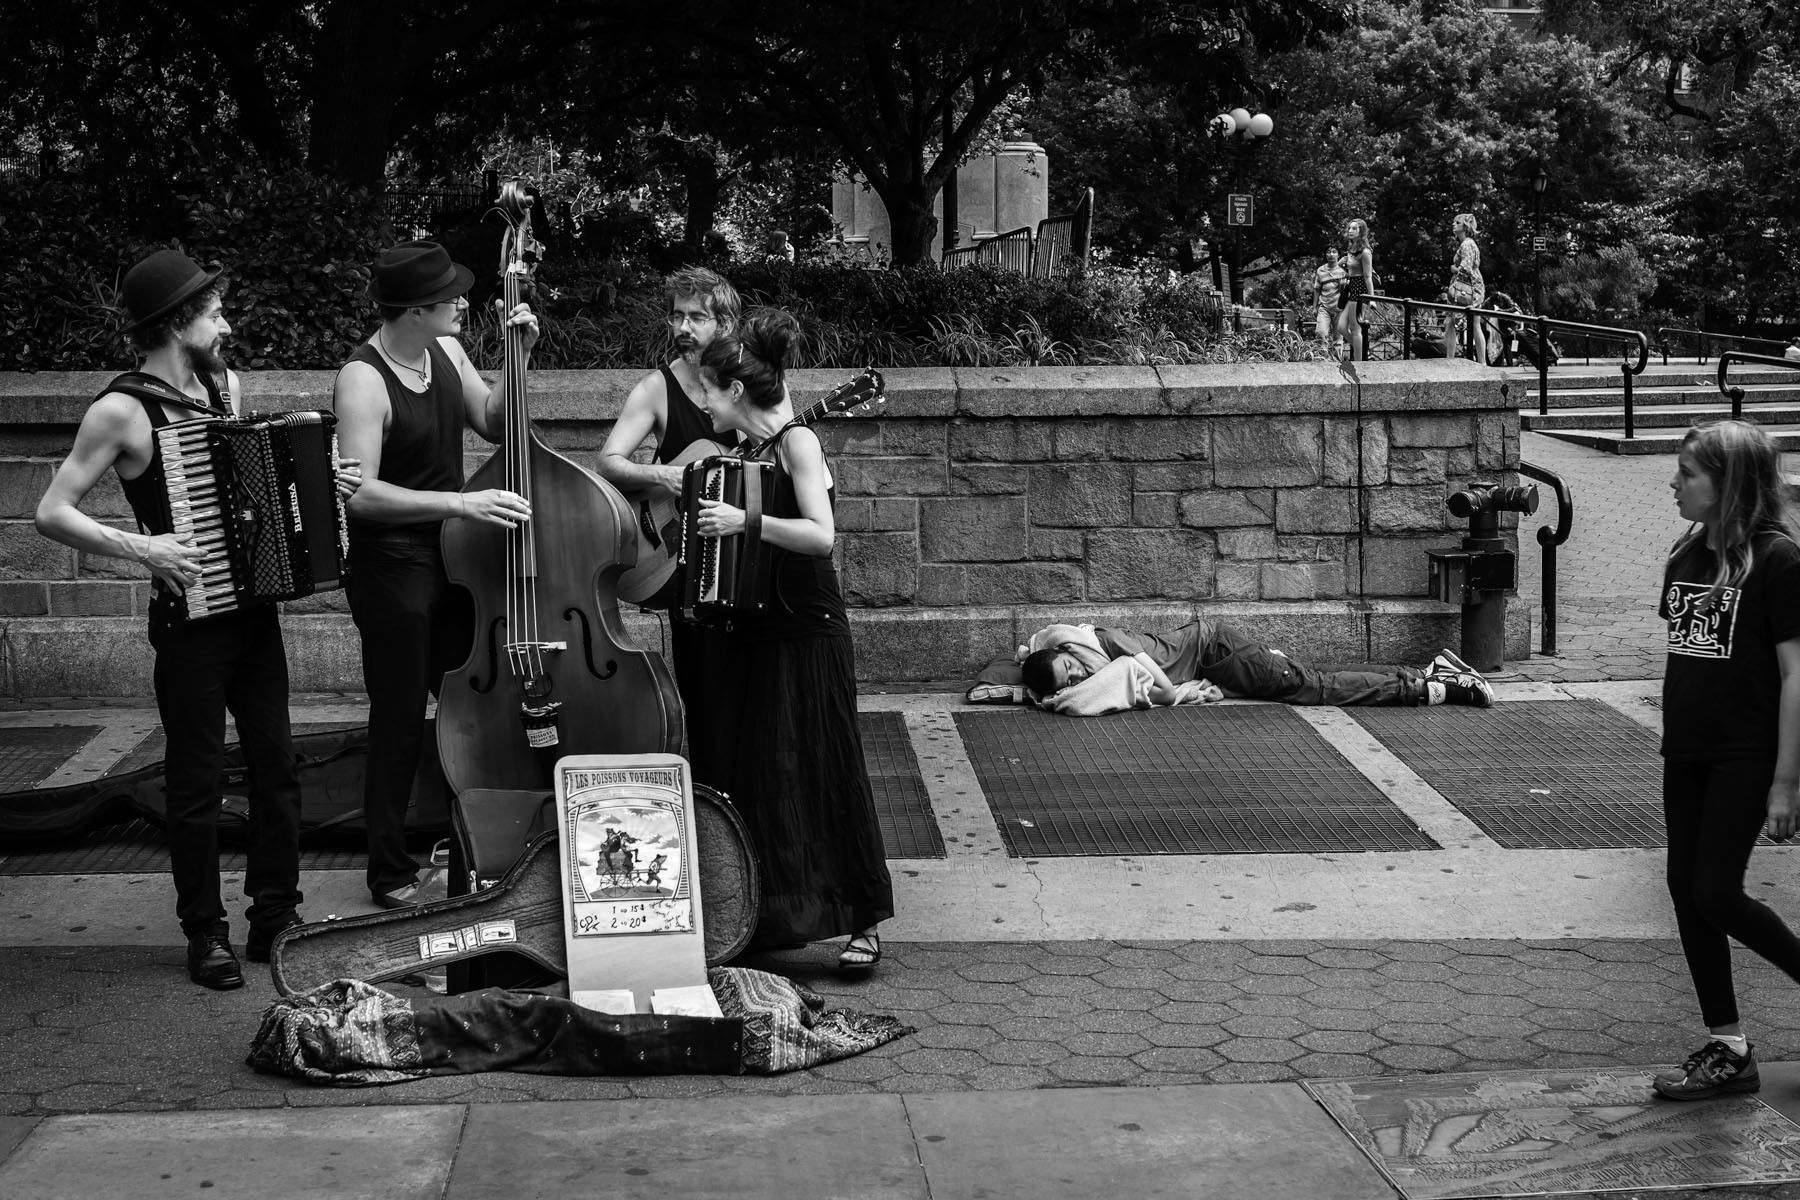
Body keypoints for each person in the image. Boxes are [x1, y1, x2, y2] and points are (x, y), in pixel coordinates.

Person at [34, 249, 360, 989]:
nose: (227, 326)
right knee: (195, 778)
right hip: (188, 623)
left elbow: (247, 491)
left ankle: (274, 915)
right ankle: (204, 931)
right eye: (215, 314)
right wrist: (143, 547)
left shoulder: (224, 386)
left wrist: (322, 485)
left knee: (277, 765)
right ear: (178, 322)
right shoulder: (121, 411)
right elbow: (51, 511)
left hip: (251, 613)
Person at [333, 240, 539, 909]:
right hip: (391, 567)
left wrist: (517, 358)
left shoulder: (446, 351)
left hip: (453, 561)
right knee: (398, 718)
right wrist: (460, 503)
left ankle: (474, 850)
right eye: (449, 296)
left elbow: (494, 422)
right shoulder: (363, 379)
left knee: (472, 709)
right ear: (414, 311)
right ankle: (389, 871)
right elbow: (361, 495)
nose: (463, 302)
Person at [690, 307, 894, 973]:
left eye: (708, 391)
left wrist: (744, 522)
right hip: (759, 627)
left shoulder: (798, 443)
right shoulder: (749, 453)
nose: (703, 403)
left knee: (825, 765)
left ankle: (863, 922)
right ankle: (775, 917)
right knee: (766, 772)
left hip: (809, 628)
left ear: (735, 391)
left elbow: (820, 535)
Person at [1651, 420, 1800, 1101]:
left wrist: (1786, 782)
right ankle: (1729, 1046)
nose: (1675, 483)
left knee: (1714, 890)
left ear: (1729, 482)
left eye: (1688, 473)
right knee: (1687, 890)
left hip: (1747, 753)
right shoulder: (1689, 553)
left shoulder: (1779, 561)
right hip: (1687, 750)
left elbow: (1796, 675)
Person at [596, 267, 744, 791]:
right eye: (677, 316)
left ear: (725, 323)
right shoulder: (657, 388)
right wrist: (665, 475)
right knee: (703, 689)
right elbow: (608, 463)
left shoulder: (749, 377)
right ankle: (711, 800)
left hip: (745, 553)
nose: (682, 327)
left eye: (696, 317)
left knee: (751, 687)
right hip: (685, 560)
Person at [1018, 620, 1495, 710]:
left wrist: (1170, 696)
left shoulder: (1104, 641)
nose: (1079, 677)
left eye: (1071, 668)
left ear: (1067, 651)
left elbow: (1159, 685)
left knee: (1315, 688)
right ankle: (1426, 673)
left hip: (1218, 652)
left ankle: (1432, 687)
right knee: (1311, 677)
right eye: (1069, 682)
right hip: (1218, 660)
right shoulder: (1084, 657)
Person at [1443, 213, 1487, 364]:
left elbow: (1465, 268)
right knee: (1474, 324)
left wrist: (1454, 269)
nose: (1453, 224)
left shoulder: (1466, 244)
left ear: (1465, 226)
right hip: (1473, 287)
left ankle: (1450, 359)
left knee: (1450, 322)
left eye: (1457, 222)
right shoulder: (1469, 243)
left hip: (1465, 288)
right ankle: (1482, 362)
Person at [1337, 219, 1375, 361]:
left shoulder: (1365, 252)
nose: (1350, 231)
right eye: (1349, 228)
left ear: (1361, 231)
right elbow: (1351, 271)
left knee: (1355, 329)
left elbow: (1368, 276)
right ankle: (1364, 351)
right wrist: (1341, 264)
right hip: (1351, 289)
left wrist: (1372, 299)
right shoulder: (1351, 250)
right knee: (1341, 327)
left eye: (1354, 228)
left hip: (1360, 290)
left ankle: (1359, 362)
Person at [1312, 245, 1346, 356]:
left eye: (1334, 252)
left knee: (1338, 338)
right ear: (1325, 255)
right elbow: (1317, 289)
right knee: (1320, 333)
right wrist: (1314, 307)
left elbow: (1346, 291)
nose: (1331, 254)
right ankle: (1322, 360)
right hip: (1324, 307)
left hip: (1339, 309)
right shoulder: (1320, 270)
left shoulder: (1343, 271)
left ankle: (1337, 362)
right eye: (1328, 252)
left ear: (1338, 255)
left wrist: (1343, 285)